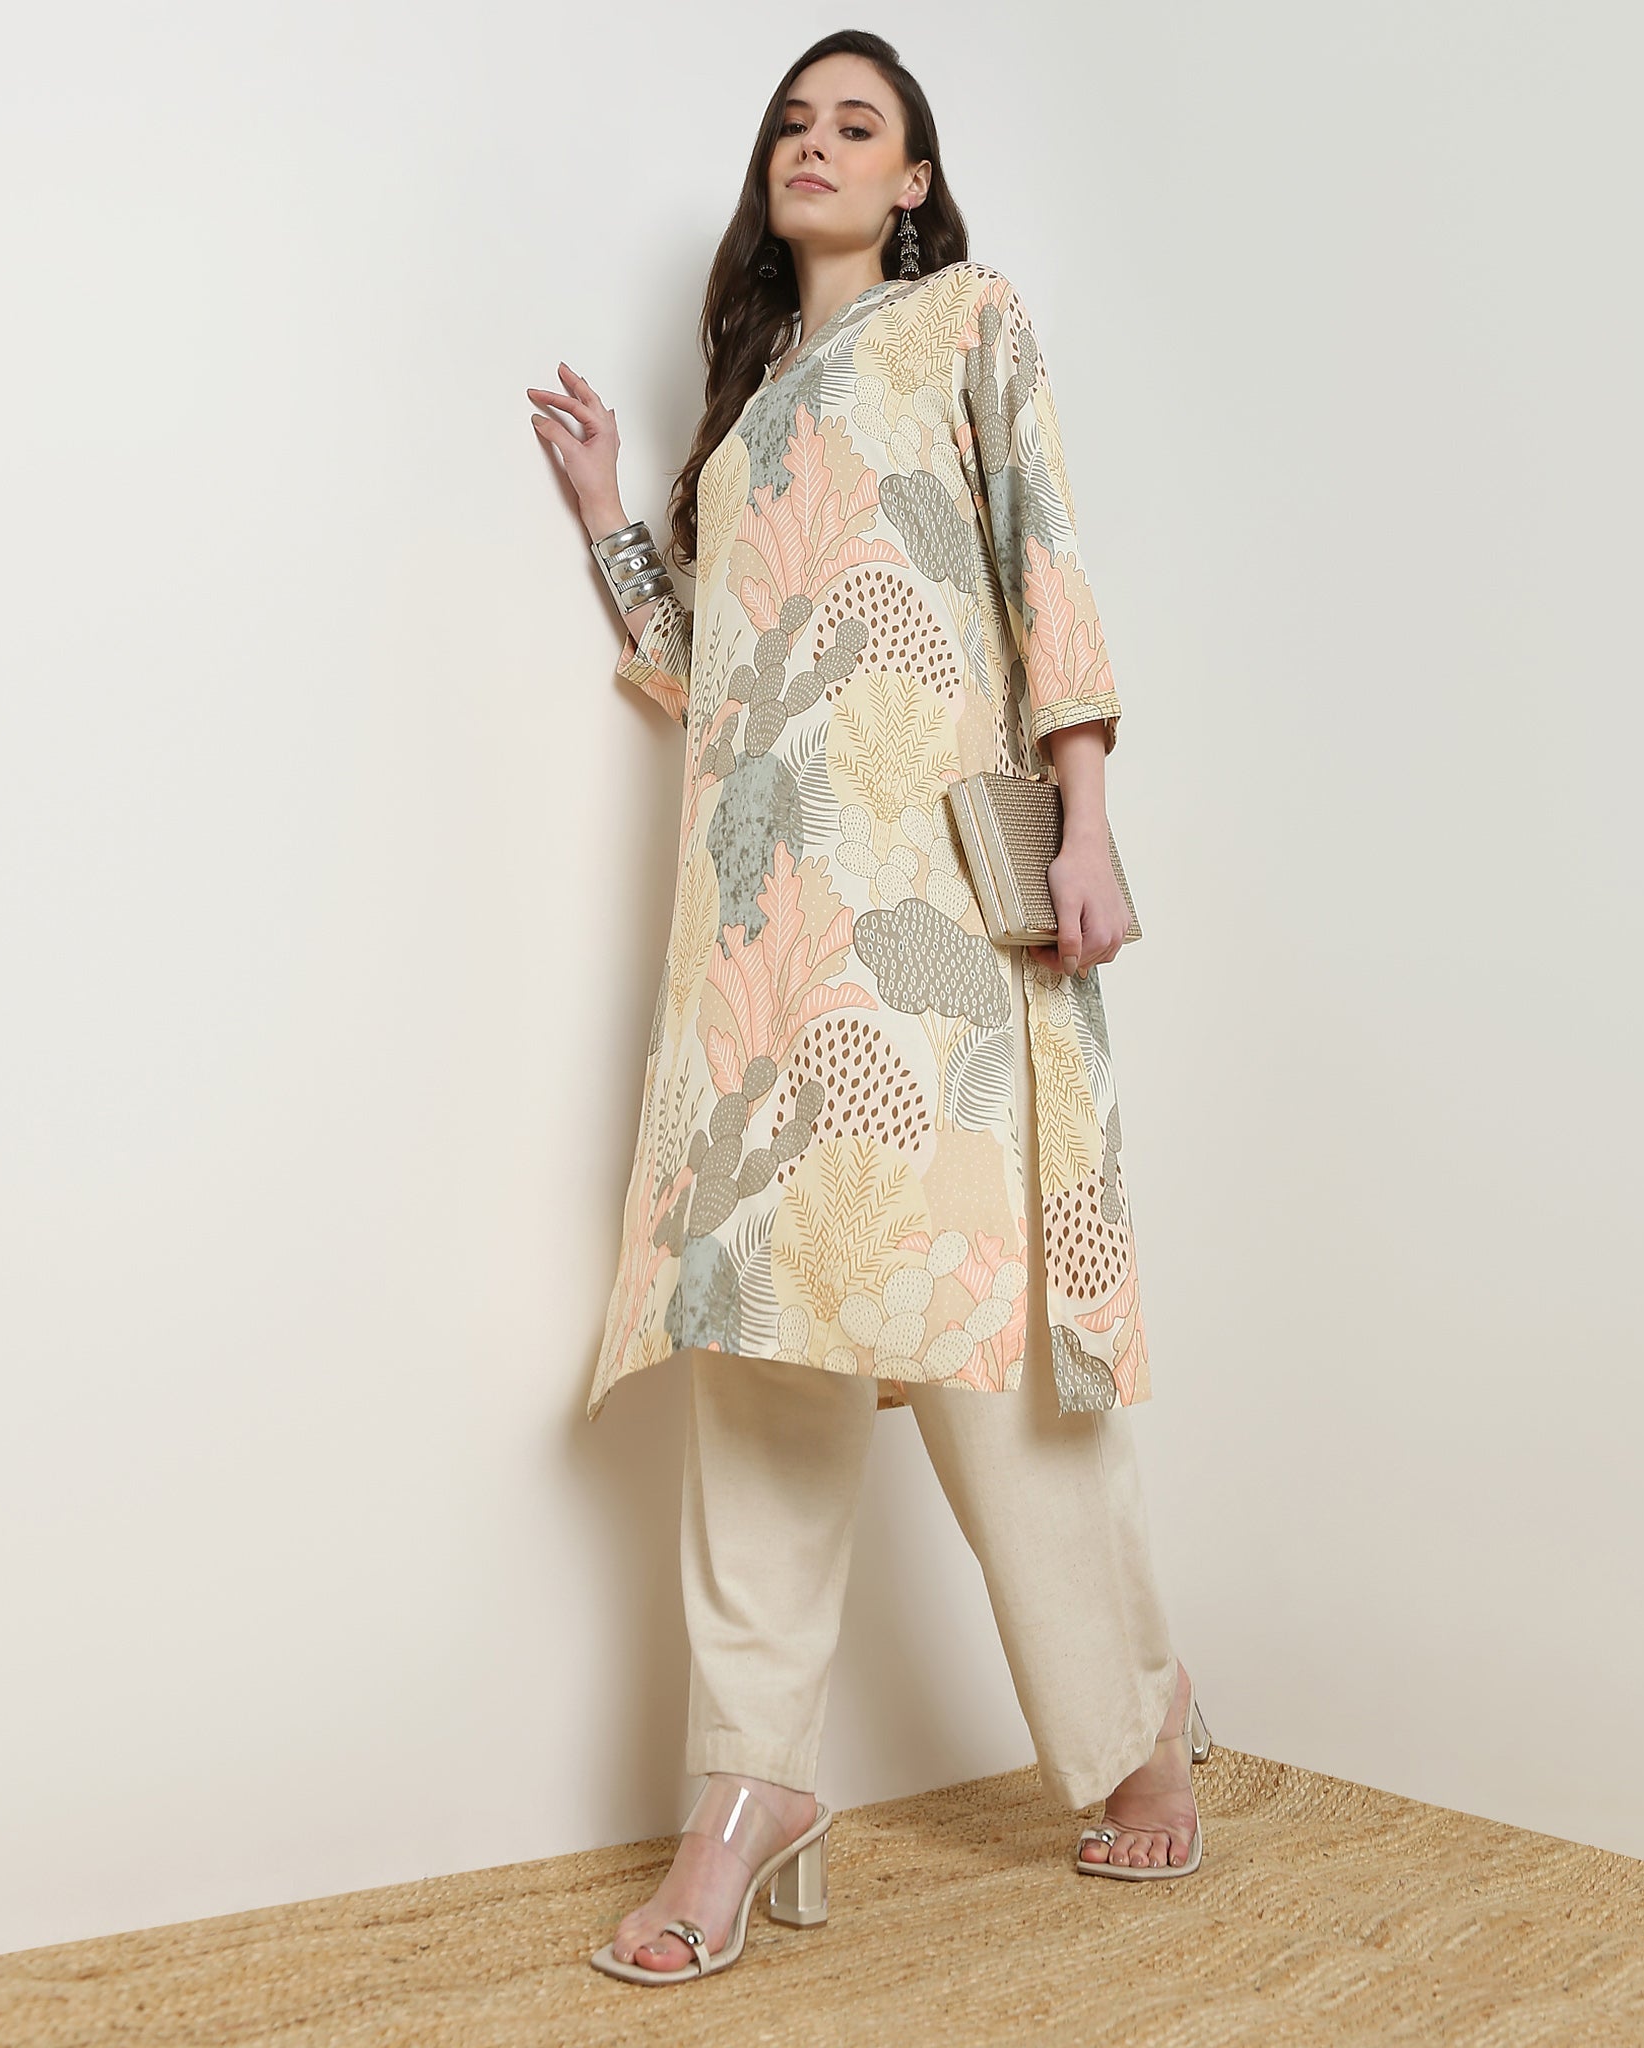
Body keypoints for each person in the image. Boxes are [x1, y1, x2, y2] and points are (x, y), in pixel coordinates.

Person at [528, 30, 1211, 1987]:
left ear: (913, 180)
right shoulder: (747, 425)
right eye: (792, 124)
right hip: (758, 941)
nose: (814, 146)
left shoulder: (966, 323)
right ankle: (748, 1791)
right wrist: (611, 509)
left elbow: (1043, 561)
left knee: (979, 1326)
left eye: (858, 125)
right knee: (761, 1336)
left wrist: (1087, 821)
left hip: (931, 913)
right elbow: (704, 672)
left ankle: (1134, 1724)